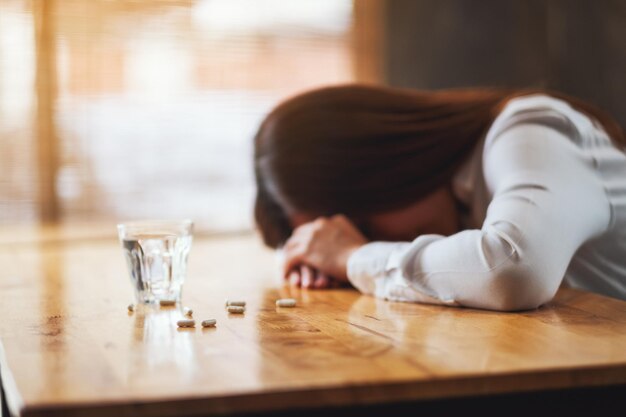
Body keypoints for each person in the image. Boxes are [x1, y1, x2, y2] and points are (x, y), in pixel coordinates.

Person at [253, 84, 626, 311]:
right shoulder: (456, 208)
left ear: (385, 158)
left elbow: (512, 270)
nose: (374, 242)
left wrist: (352, 257)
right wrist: (316, 261)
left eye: (364, 226)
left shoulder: (529, 127)